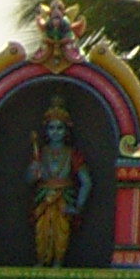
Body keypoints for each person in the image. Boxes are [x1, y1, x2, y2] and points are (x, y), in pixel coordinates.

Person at [26, 96, 93, 267]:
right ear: (46, 131)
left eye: (59, 128)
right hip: (43, 199)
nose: (55, 132)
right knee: (42, 234)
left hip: (64, 199)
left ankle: (58, 263)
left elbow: (86, 182)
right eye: (51, 128)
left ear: (66, 130)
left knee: (61, 234)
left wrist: (78, 207)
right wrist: (34, 170)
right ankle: (41, 261)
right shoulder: (41, 153)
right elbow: (29, 180)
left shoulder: (72, 154)